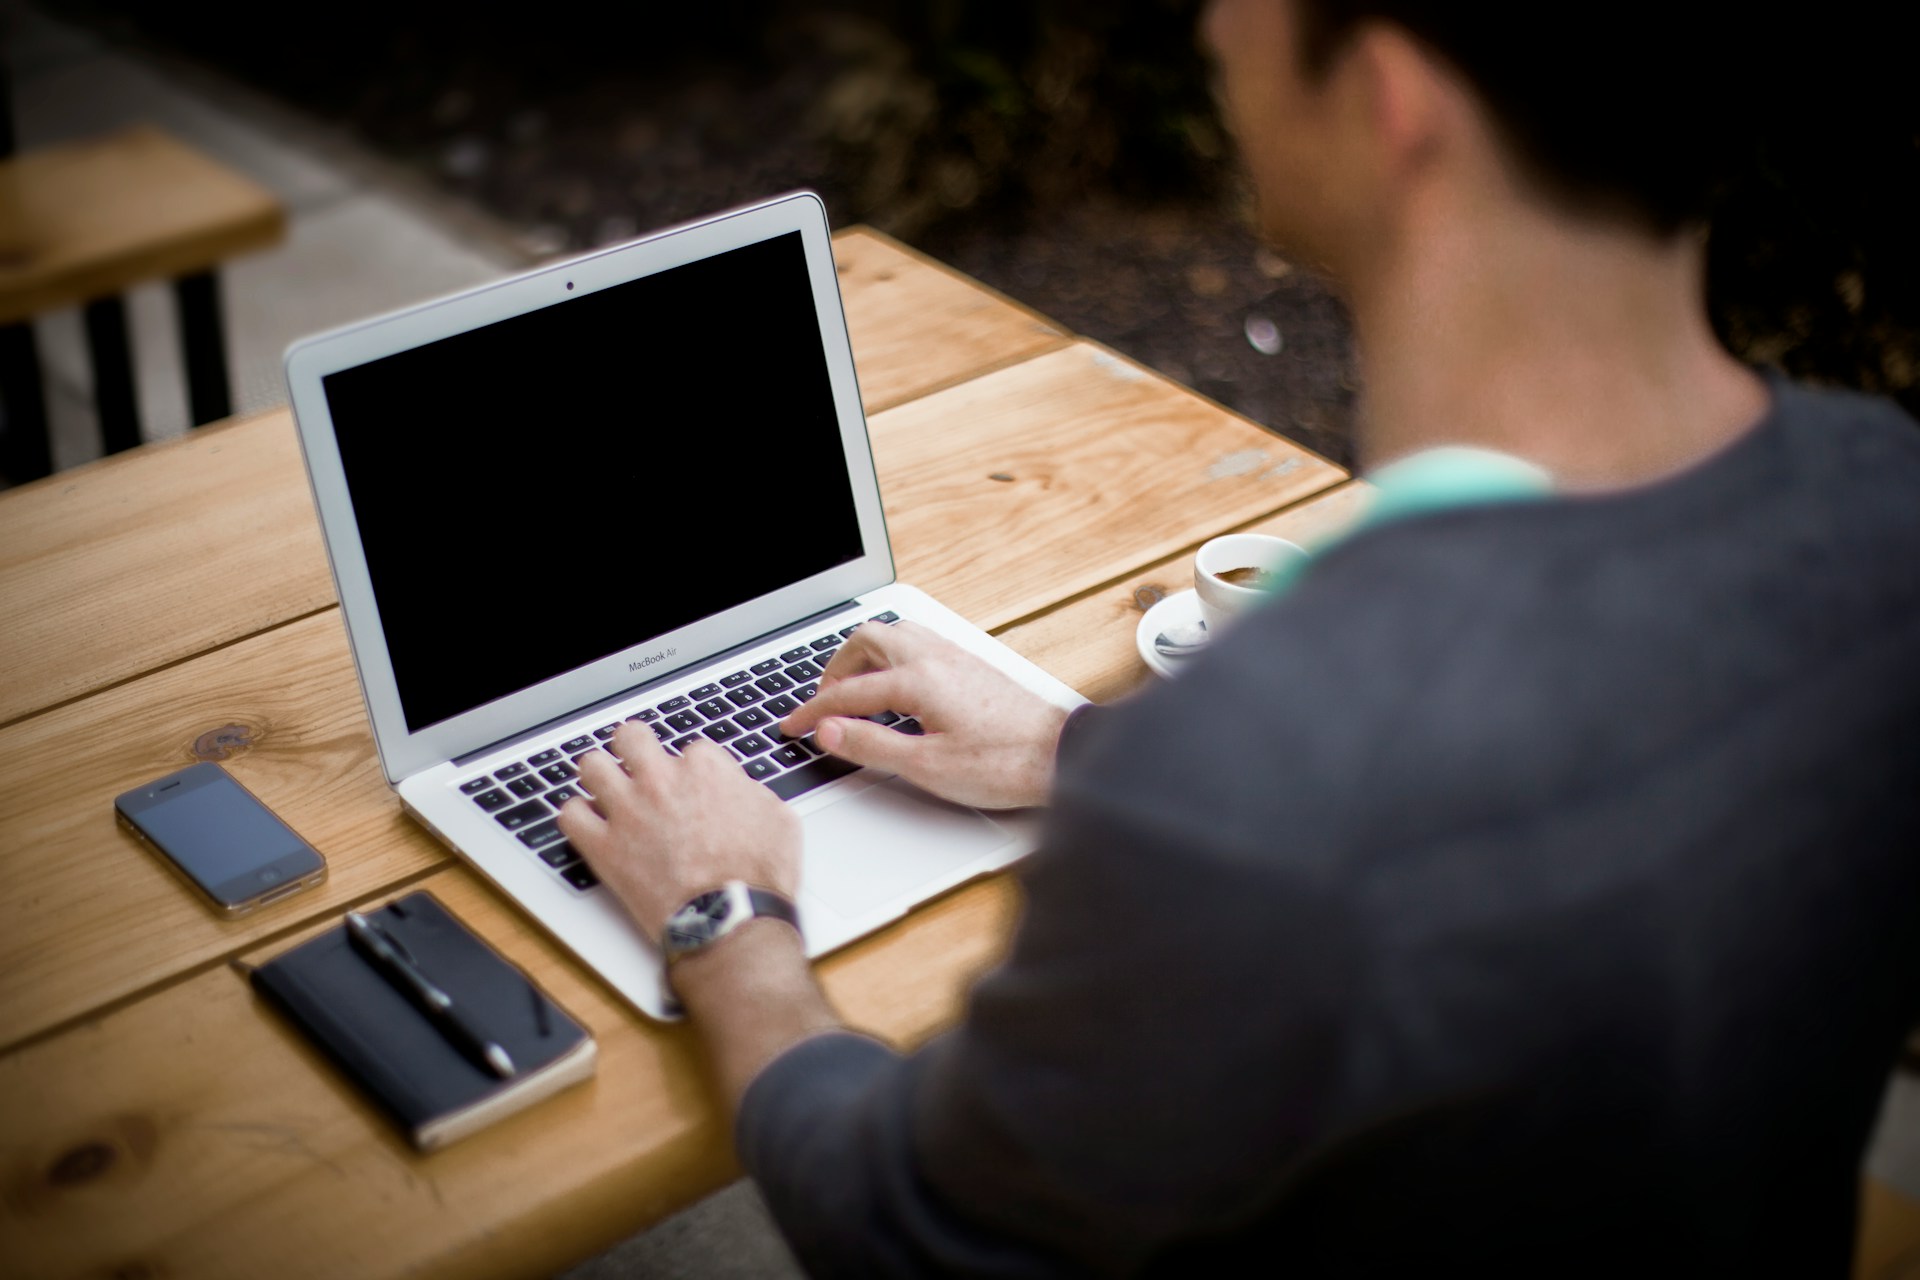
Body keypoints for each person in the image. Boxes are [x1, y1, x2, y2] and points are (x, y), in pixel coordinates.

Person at [558, 1, 1920, 1272]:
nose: (1211, 20)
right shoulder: (1883, 508)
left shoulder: (1265, 776)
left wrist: (727, 916)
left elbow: (898, 1226)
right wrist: (1074, 748)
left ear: (1392, 98)